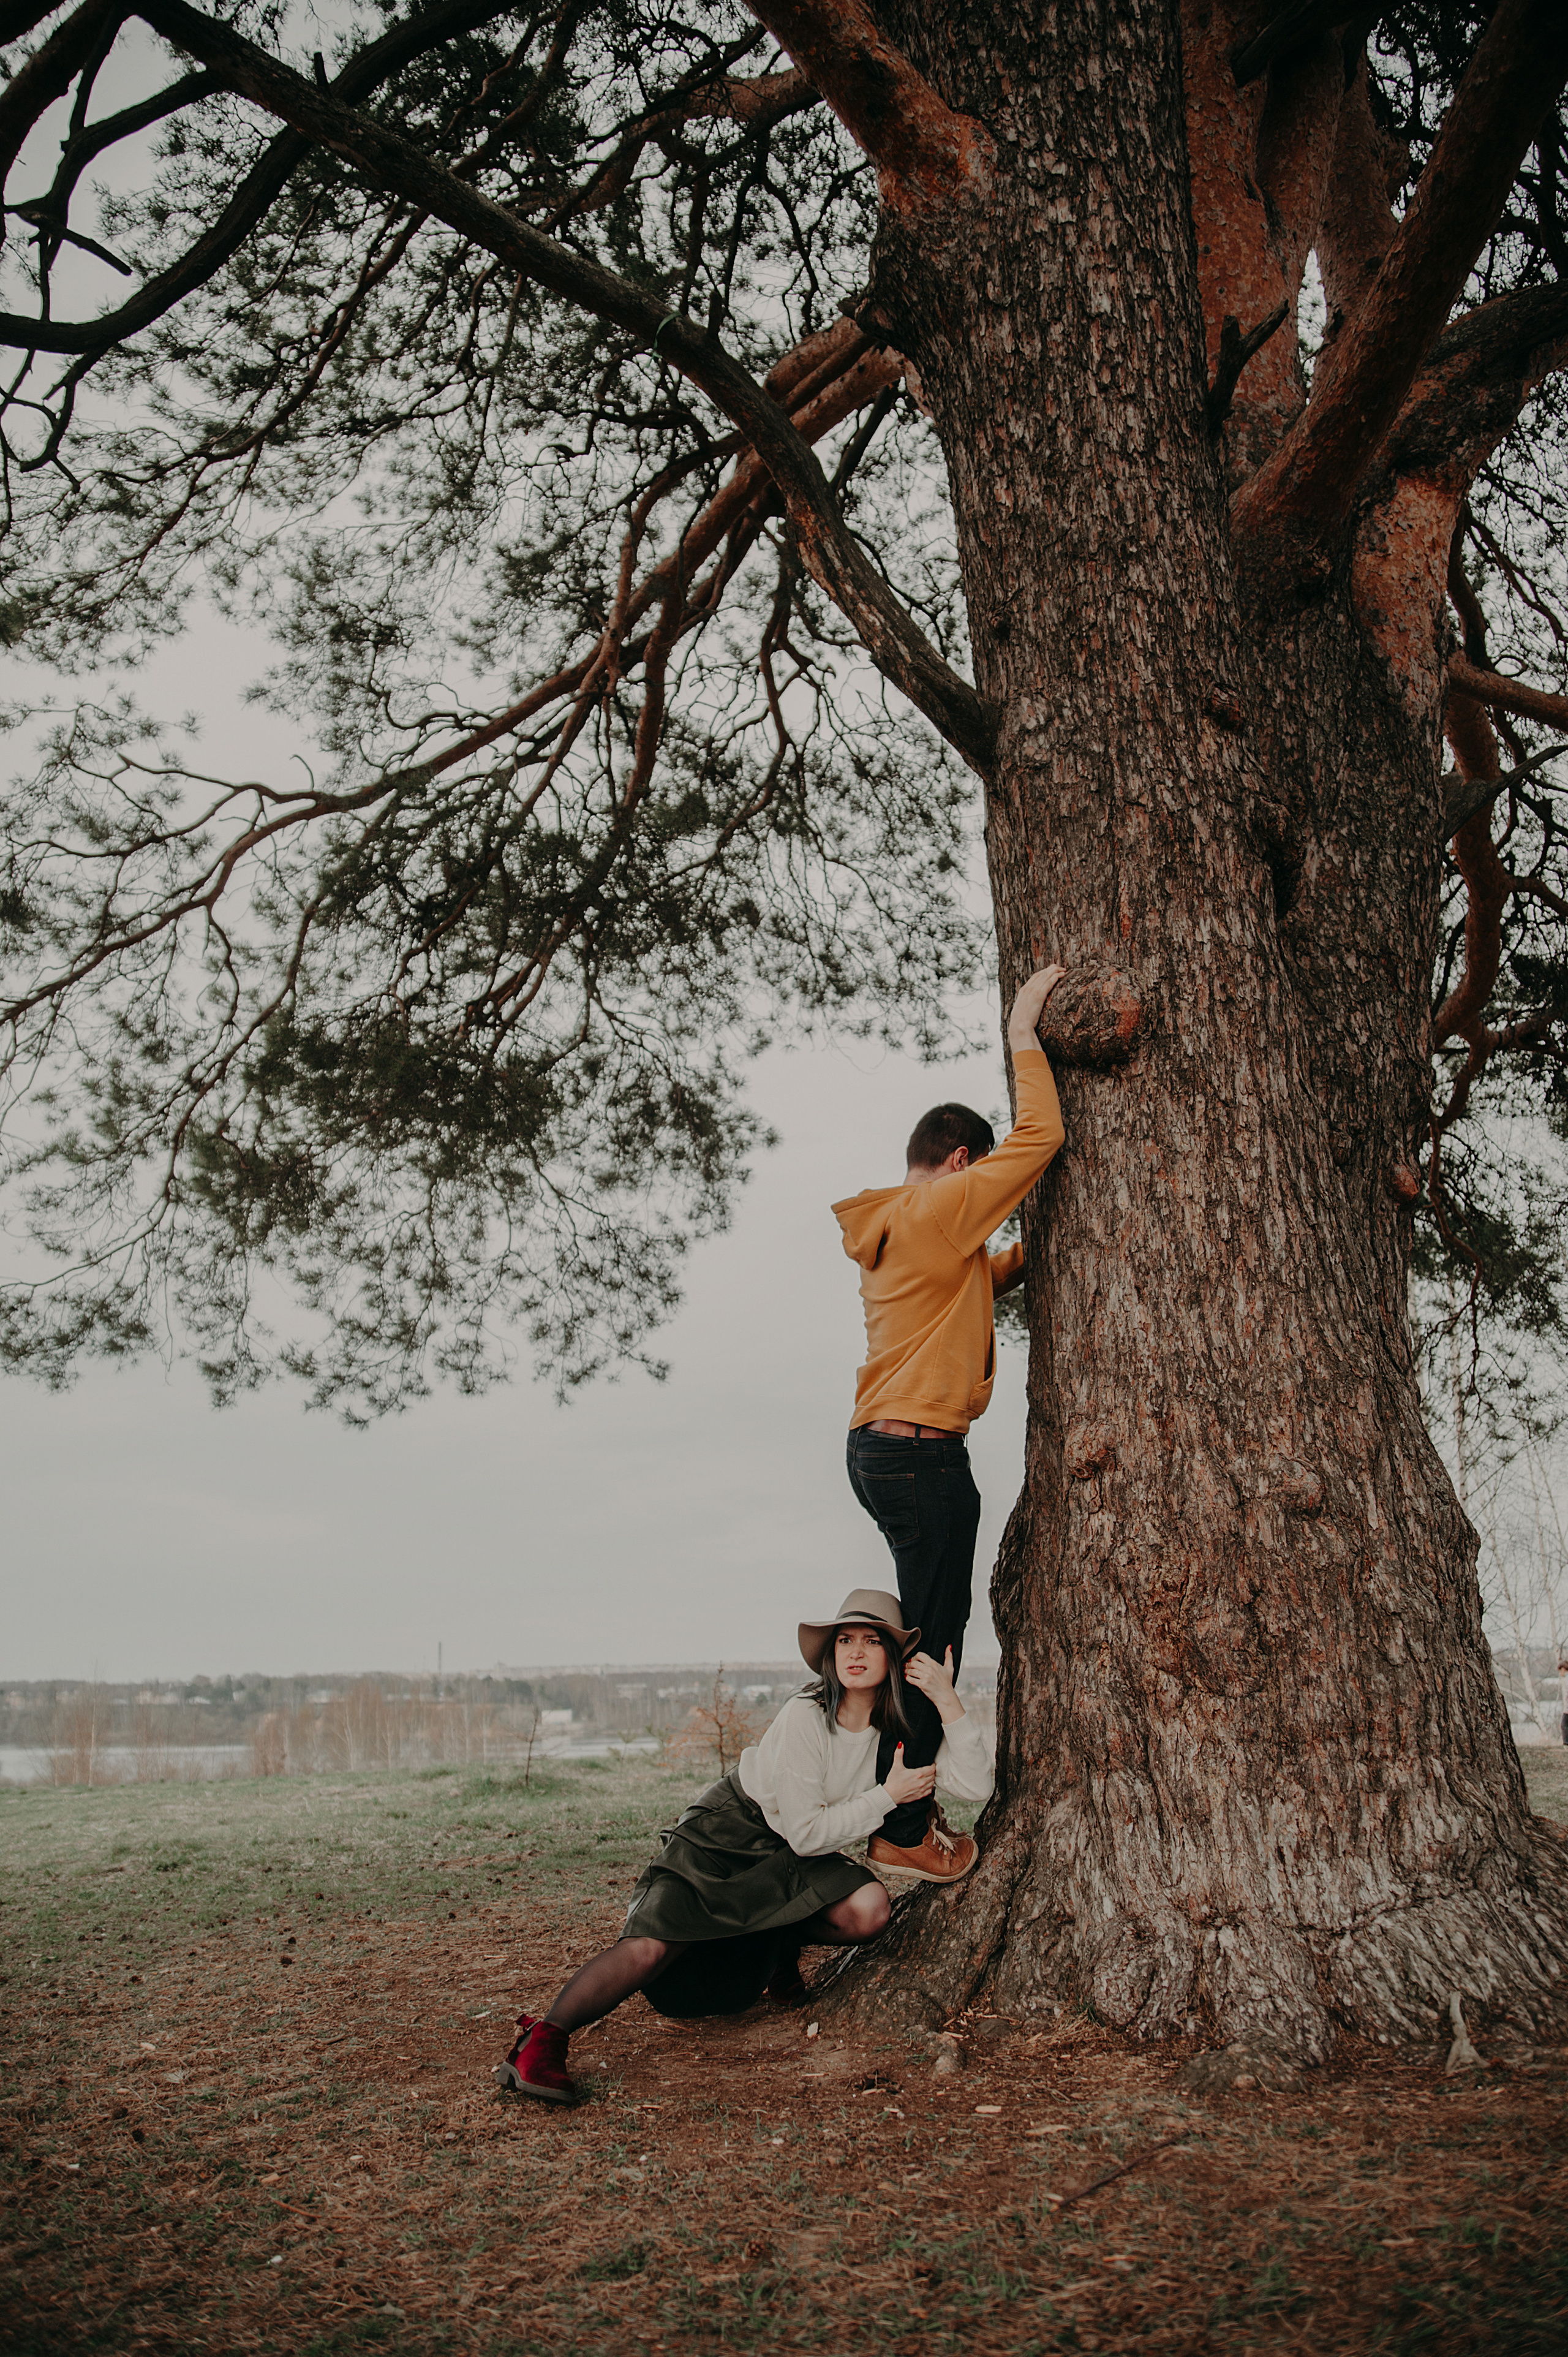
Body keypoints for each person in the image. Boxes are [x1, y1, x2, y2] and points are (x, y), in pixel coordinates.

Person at [495, 1589, 992, 2104]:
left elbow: (976, 1786)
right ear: (831, 1652)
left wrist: (947, 1699)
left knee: (870, 1910)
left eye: (872, 1640)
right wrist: (888, 1795)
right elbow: (805, 1831)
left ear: (894, 1655)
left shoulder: (899, 1727)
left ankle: (777, 1948)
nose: (856, 1652)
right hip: (734, 1831)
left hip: (800, 1852)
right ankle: (544, 2040)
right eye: (845, 1640)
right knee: (653, 1946)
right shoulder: (807, 1714)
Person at [832, 966, 1067, 1884]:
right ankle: (906, 1821)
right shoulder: (942, 1206)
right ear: (965, 1163)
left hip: (883, 1447)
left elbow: (967, 1286)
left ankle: (894, 1795)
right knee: (936, 1649)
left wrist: (1034, 1252)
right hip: (921, 1457)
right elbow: (1043, 1135)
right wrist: (1022, 1029)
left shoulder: (906, 1222)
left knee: (927, 1638)